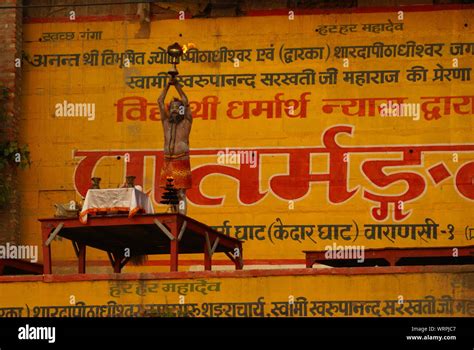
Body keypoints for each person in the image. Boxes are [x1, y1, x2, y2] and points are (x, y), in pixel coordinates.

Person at [157, 77, 192, 214]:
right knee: (171, 194)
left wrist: (176, 85)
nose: (175, 110)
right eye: (172, 108)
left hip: (181, 159)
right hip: (168, 161)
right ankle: (174, 215)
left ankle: (182, 215)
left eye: (178, 108)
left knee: (181, 193)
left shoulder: (186, 121)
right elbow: (160, 101)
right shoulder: (166, 122)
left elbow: (185, 101)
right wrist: (167, 85)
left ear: (182, 110)